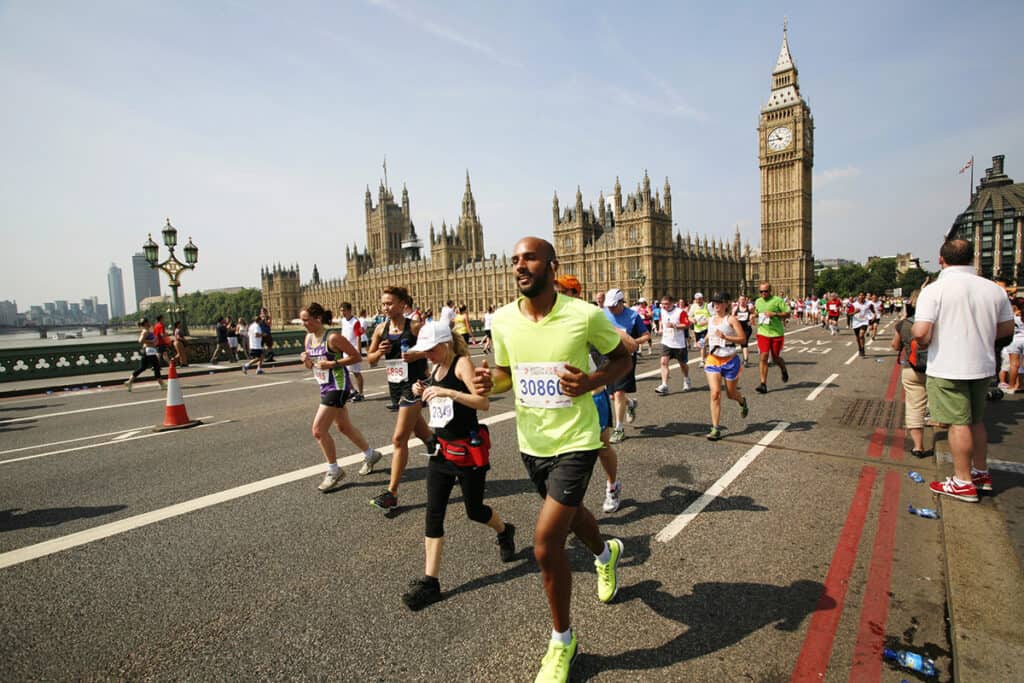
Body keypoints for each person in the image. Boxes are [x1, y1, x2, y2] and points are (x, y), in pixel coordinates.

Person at [476, 236, 631, 683]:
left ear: (550, 264)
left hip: (578, 440)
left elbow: (622, 357)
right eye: (514, 260)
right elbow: (507, 374)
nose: (519, 266)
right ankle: (606, 552)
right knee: (570, 514)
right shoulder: (502, 320)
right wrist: (493, 382)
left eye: (528, 258)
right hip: (533, 443)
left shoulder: (584, 315)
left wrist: (591, 382)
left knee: (546, 544)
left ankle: (563, 641)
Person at [401, 322, 516, 611]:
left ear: (447, 345)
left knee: (475, 511)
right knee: (433, 514)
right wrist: (424, 388)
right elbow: (438, 401)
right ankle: (431, 582)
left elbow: (483, 403)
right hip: (441, 453)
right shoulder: (435, 369)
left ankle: (504, 531)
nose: (427, 354)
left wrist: (449, 393)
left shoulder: (462, 364)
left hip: (467, 451)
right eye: (424, 350)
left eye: (431, 349)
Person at [913, 239, 1014, 502]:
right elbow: (1005, 332)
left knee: (958, 424)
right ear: (973, 259)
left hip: (949, 367)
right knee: (976, 421)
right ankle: (980, 473)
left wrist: (920, 335)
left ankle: (962, 482)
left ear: (940, 259)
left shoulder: (935, 290)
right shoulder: (994, 290)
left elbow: (922, 334)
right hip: (983, 366)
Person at [556, 275, 624, 514]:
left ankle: (613, 485)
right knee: (565, 453)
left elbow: (621, 351)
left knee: (602, 447)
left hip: (594, 395)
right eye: (556, 290)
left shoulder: (589, 319)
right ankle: (569, 505)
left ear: (576, 294)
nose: (558, 295)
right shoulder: (550, 323)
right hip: (564, 399)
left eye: (564, 291)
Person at [366, 285, 436, 510]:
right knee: (419, 430)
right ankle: (441, 451)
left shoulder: (415, 327)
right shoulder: (380, 329)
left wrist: (416, 353)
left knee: (399, 439)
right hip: (395, 385)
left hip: (415, 385)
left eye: (389, 303)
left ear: (402, 304)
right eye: (383, 303)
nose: (385, 307)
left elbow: (438, 350)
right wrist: (379, 352)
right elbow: (370, 360)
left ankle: (392, 493)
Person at [299, 303, 382, 492]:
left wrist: (334, 362)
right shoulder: (308, 338)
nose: (303, 323)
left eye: (306, 320)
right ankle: (370, 454)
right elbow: (312, 366)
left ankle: (334, 470)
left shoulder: (333, 337)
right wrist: (307, 361)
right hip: (324, 386)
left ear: (318, 319)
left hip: (338, 386)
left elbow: (356, 357)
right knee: (344, 427)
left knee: (318, 430)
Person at [604, 287, 650, 444]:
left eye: (613, 306)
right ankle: (630, 403)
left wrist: (632, 343)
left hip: (625, 359)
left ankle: (619, 429)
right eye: (608, 306)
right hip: (607, 359)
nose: (610, 309)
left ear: (621, 302)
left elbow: (646, 336)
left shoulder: (633, 316)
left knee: (618, 394)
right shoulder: (603, 314)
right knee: (612, 395)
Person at [703, 291, 749, 440]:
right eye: (714, 302)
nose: (716, 305)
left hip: (730, 361)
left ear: (726, 303)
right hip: (713, 360)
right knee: (715, 394)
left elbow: (742, 340)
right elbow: (710, 335)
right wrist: (702, 343)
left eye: (719, 302)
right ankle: (715, 428)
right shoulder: (711, 320)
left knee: (731, 394)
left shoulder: (732, 320)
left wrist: (726, 337)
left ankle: (742, 401)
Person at [891, 289, 931, 457]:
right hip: (937, 368)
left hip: (911, 367)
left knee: (914, 406)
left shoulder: (905, 324)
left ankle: (918, 446)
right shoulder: (941, 323)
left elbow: (895, 346)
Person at [753, 282, 790, 394]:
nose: (763, 293)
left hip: (776, 333)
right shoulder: (758, 301)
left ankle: (783, 369)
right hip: (763, 333)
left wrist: (775, 314)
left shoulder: (778, 300)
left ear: (770, 291)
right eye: (761, 291)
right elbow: (757, 312)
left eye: (765, 291)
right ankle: (763, 384)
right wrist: (753, 315)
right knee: (763, 356)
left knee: (775, 358)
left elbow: (788, 313)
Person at [654, 295, 692, 394]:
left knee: (683, 364)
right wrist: (660, 328)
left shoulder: (680, 312)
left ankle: (686, 379)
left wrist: (674, 325)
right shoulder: (662, 310)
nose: (664, 306)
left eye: (666, 304)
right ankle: (664, 385)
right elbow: (662, 319)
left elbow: (687, 325)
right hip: (666, 341)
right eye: (662, 304)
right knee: (663, 362)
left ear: (672, 303)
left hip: (679, 343)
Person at [124, 318, 166, 392]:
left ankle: (129, 381)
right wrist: (152, 341)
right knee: (156, 367)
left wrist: (153, 342)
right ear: (146, 323)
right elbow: (140, 340)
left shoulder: (146, 331)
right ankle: (161, 383)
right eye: (149, 322)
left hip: (148, 351)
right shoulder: (145, 331)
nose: (150, 323)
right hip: (149, 351)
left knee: (143, 367)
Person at [338, 302, 365, 401]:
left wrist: (358, 351)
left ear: (349, 310)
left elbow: (358, 337)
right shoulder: (343, 321)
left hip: (353, 350)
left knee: (356, 372)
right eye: (341, 311)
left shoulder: (355, 322)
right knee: (345, 372)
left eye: (344, 310)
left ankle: (361, 394)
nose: (342, 313)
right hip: (345, 349)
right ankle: (353, 391)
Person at [688, 293, 711, 365]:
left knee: (703, 343)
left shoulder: (707, 306)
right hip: (697, 328)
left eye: (700, 299)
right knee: (699, 345)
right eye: (697, 299)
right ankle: (707, 355)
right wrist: (692, 320)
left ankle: (702, 360)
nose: (698, 301)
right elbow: (689, 316)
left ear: (702, 298)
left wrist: (706, 322)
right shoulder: (693, 306)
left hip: (706, 328)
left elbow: (713, 317)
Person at [734, 294, 754, 367]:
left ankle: (746, 360)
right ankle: (745, 358)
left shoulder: (749, 307)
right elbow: (732, 317)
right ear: (739, 301)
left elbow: (753, 314)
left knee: (744, 342)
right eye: (741, 300)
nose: (742, 301)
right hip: (739, 329)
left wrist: (751, 319)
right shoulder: (735, 308)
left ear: (746, 300)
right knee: (742, 343)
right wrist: (736, 317)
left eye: (743, 300)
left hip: (747, 328)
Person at [851, 292, 872, 358]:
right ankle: (860, 348)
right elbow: (849, 314)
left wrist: (872, 316)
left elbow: (870, 311)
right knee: (857, 338)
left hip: (864, 322)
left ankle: (862, 350)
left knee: (861, 335)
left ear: (864, 296)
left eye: (863, 295)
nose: (861, 296)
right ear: (858, 297)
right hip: (856, 322)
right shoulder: (853, 304)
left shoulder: (868, 304)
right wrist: (855, 312)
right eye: (860, 295)